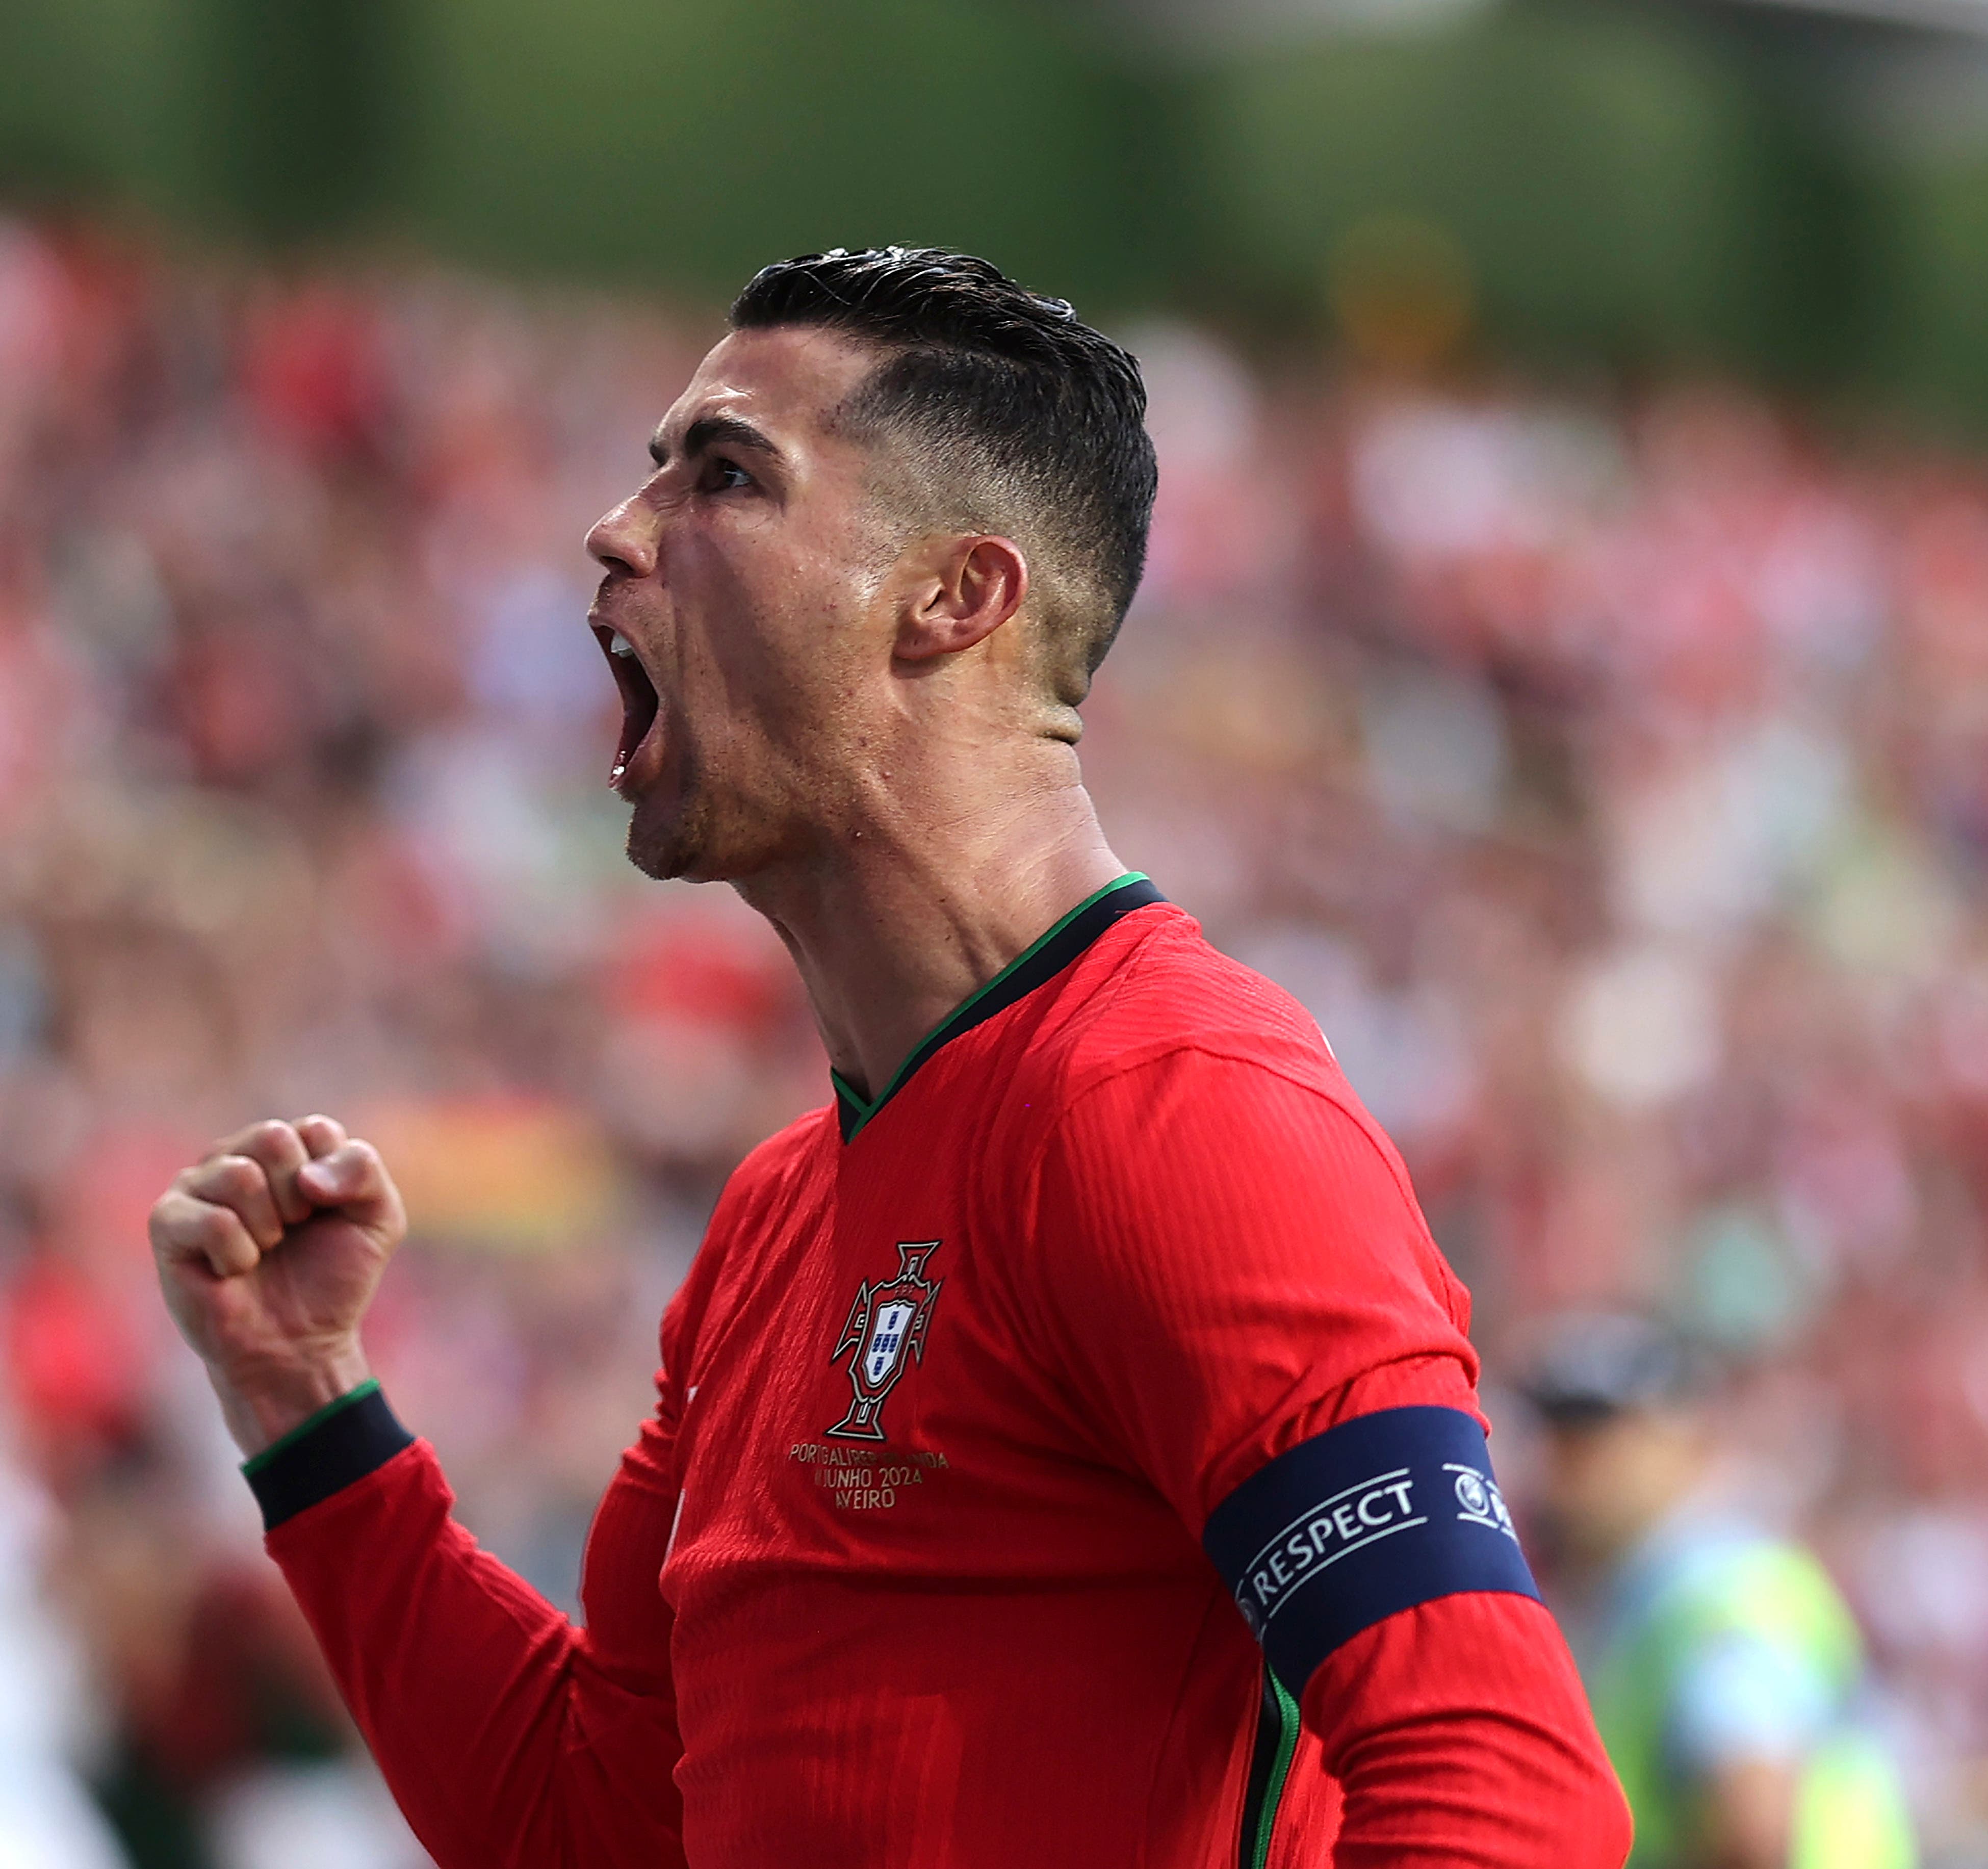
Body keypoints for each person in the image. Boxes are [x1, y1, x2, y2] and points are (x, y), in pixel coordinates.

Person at [148, 246, 1630, 1866]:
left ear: (955, 597)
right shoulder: (775, 1217)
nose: (616, 530)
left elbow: (1507, 1805)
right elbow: (594, 1823)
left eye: (722, 476)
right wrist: (307, 1409)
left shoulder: (1177, 1112)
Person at [1519, 1315, 1916, 1869]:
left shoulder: (1715, 1594)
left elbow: (1753, 1827)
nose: (1569, 1468)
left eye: (1598, 1437)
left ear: (1687, 1439)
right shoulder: (1647, 1596)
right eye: (1559, 1439)